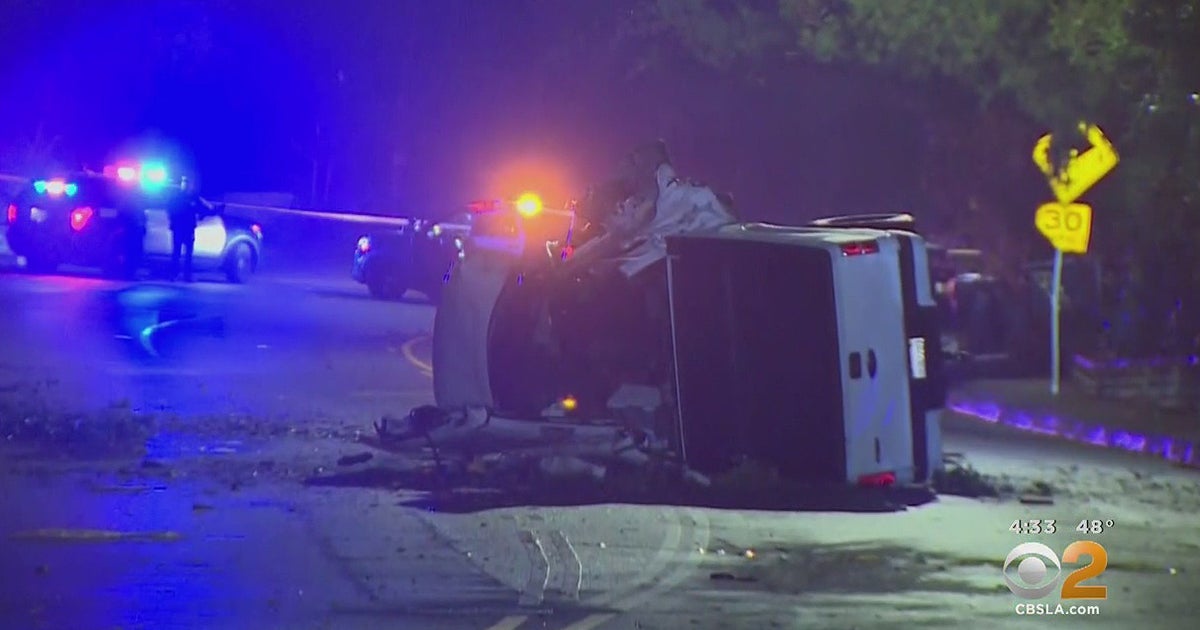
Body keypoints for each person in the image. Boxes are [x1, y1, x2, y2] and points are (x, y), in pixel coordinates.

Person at [168, 193, 201, 281]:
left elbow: (170, 212)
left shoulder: (176, 198)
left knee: (178, 252)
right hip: (185, 228)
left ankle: (175, 274)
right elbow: (201, 210)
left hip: (181, 228)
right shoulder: (192, 198)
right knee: (185, 253)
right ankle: (184, 275)